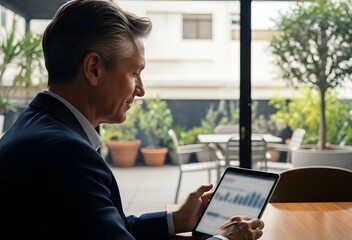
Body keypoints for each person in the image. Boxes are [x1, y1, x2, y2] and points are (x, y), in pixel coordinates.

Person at [0, 0, 265, 239]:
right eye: (134, 72)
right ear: (93, 69)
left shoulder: (34, 124)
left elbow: (101, 227)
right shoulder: (66, 154)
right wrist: (223, 239)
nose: (140, 89)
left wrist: (178, 219)